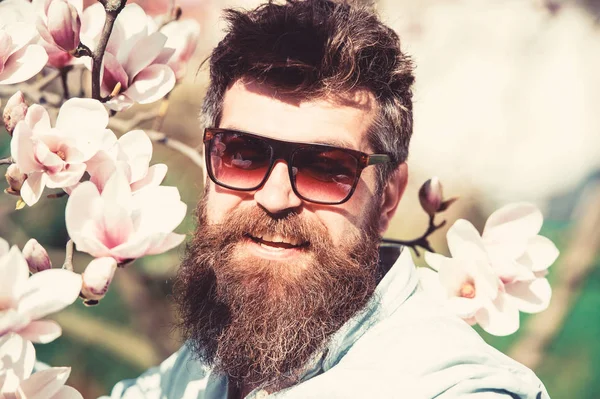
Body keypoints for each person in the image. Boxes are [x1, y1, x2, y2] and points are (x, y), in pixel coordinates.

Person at [105, 0, 550, 398]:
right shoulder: (192, 372)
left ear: (388, 198)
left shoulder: (449, 386)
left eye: (326, 168)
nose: (274, 197)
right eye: (242, 154)